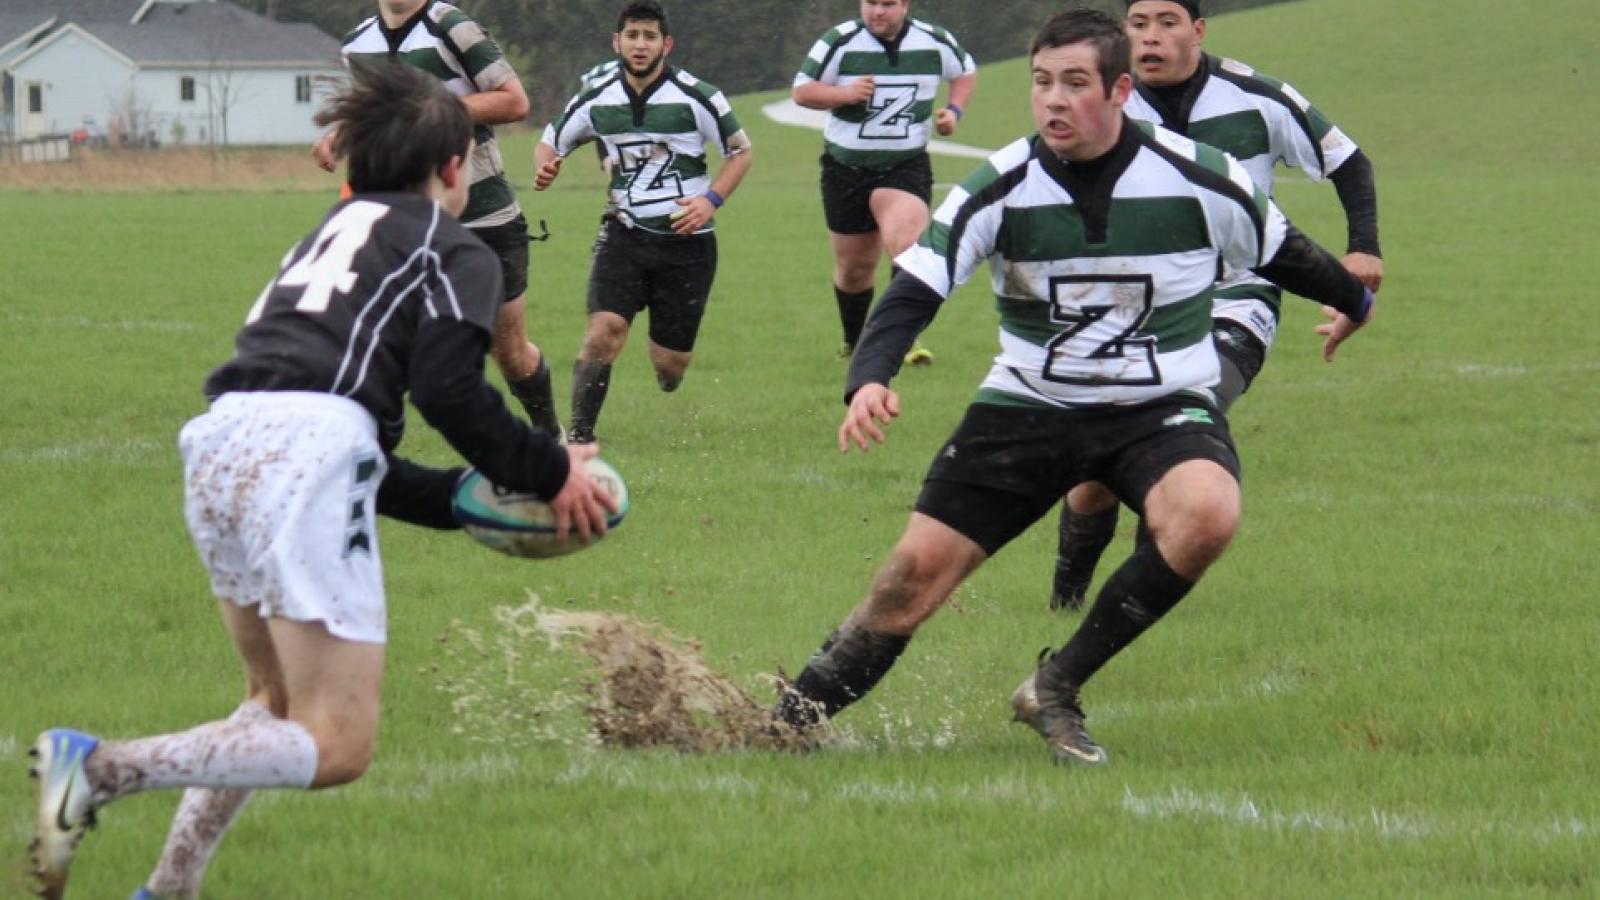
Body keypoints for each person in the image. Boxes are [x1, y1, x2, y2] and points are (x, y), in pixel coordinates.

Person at [29, 62, 616, 900]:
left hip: (220, 442)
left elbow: (357, 457)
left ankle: (169, 888)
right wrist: (551, 469)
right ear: (456, 168)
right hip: (305, 448)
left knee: (270, 701)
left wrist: (460, 499)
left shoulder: (326, 236)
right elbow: (447, 392)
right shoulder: (453, 246)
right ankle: (100, 770)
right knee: (337, 744)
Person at [773, 9, 1377, 766]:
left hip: (1160, 407)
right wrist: (868, 378)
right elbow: (913, 290)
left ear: (1120, 89)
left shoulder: (1201, 178)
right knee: (907, 583)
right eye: (1040, 82)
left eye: (1075, 83)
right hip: (1029, 406)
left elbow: (1296, 257)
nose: (1053, 100)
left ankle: (1055, 685)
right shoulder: (1001, 184)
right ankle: (784, 726)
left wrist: (1357, 303)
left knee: (1207, 511)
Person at [1048, 0, 1385, 612]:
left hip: (1238, 296)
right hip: (1131, 302)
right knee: (1095, 469)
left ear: (1197, 31)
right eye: (1138, 24)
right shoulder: (1103, 103)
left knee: (1182, 418)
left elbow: (1349, 162)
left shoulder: (1258, 97)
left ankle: (1129, 602)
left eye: (1167, 22)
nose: (1150, 37)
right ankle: (1065, 598)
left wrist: (1364, 249)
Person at [313, 0, 564, 438]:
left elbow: (514, 101)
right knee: (394, 341)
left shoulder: (452, 26)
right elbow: (373, 119)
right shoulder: (357, 46)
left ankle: (549, 436)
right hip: (408, 219)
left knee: (508, 351)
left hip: (486, 212)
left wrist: (427, 111)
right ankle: (366, 445)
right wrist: (340, 134)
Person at [533, 1, 753, 446]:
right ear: (617, 42)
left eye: (649, 36)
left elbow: (740, 152)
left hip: (688, 245)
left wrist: (710, 201)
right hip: (624, 233)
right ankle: (579, 439)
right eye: (632, 35)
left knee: (669, 365)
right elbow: (549, 141)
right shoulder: (596, 97)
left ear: (665, 44)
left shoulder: (698, 96)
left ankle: (670, 372)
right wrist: (547, 166)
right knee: (603, 331)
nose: (640, 45)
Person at [792, 0, 976, 364]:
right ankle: (854, 340)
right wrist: (844, 94)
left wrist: (953, 111)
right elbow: (802, 90)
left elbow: (965, 72)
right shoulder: (839, 41)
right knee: (855, 269)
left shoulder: (934, 40)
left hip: (904, 164)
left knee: (910, 251)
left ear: (905, 4)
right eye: (870, 3)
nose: (878, 11)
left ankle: (901, 340)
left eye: (888, 3)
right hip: (845, 168)